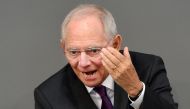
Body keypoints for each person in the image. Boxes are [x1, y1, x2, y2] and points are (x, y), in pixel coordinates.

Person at [34, 4, 178, 109]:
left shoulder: (148, 68)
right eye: (73, 52)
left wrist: (136, 89)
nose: (83, 63)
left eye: (93, 50)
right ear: (63, 48)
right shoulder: (48, 95)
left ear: (115, 44)